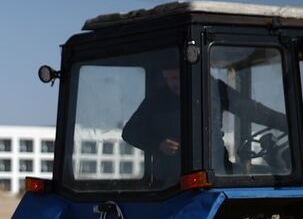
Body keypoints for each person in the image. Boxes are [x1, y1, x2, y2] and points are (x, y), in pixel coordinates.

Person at [122, 65, 288, 168]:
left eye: (176, 78)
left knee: (263, 173)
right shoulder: (157, 99)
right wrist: (158, 144)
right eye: (168, 79)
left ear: (189, 73)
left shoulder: (213, 89)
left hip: (217, 169)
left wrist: (291, 125)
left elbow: (253, 110)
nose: (172, 83)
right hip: (171, 176)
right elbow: (129, 132)